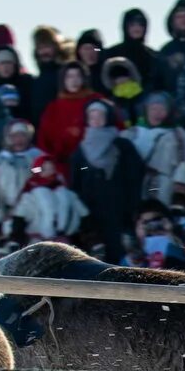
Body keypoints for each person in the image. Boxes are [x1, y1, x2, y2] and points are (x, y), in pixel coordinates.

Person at [69, 99, 144, 261]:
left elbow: (134, 175)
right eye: (92, 115)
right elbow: (76, 180)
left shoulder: (122, 144)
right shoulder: (81, 148)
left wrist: (133, 204)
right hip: (91, 208)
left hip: (119, 206)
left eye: (100, 115)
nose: (96, 119)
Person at [126, 92, 185, 210]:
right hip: (134, 186)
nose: (157, 113)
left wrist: (180, 190)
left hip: (163, 187)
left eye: (162, 109)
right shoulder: (132, 133)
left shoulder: (179, 135)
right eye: (153, 108)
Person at [0, 119, 45, 242]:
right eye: (14, 136)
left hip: (38, 218)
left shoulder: (39, 158)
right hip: (8, 218)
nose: (18, 139)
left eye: (22, 135)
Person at [123, 199, 185, 276]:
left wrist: (180, 239)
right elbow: (123, 280)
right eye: (145, 223)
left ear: (168, 219)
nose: (152, 227)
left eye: (156, 220)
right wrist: (136, 254)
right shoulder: (134, 254)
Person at [37, 62, 102, 164]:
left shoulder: (97, 100)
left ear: (84, 79)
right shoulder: (53, 108)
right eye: (69, 76)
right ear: (63, 80)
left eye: (78, 76)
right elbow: (44, 139)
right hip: (64, 164)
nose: (74, 80)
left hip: (95, 161)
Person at [106, 7, 171, 95]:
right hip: (116, 101)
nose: (137, 28)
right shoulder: (112, 53)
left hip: (146, 101)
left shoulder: (153, 56)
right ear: (125, 27)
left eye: (140, 24)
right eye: (132, 24)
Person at [29, 26, 68, 117]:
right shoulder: (35, 82)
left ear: (55, 47)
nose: (44, 52)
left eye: (47, 47)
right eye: (40, 48)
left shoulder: (65, 74)